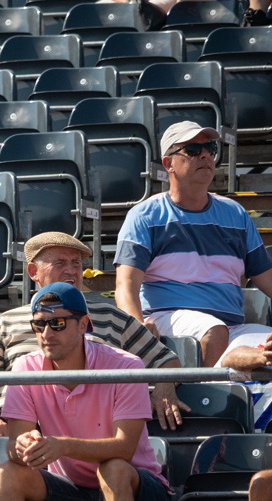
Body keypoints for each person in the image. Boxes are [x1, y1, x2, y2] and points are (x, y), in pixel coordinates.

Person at [0, 232, 187, 501]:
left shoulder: (110, 314)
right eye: (60, 263)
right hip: (24, 423)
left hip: (102, 427)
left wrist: (163, 388)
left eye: (76, 263)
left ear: (83, 324)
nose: (72, 270)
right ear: (33, 272)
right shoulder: (7, 321)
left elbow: (164, 359)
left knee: (111, 469)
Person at [0, 283, 172, 501]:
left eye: (57, 323)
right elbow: (16, 443)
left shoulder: (126, 365)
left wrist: (61, 446)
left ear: (84, 324)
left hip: (137, 488)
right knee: (8, 474)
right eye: (39, 324)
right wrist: (22, 447)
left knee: (113, 470)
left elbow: (124, 449)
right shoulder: (24, 366)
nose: (47, 333)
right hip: (73, 490)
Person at [114, 121, 272, 367]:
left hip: (233, 327)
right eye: (193, 150)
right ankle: (205, 398)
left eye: (210, 148)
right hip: (166, 318)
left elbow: (267, 278)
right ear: (169, 164)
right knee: (214, 329)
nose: (206, 155)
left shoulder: (236, 214)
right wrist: (138, 331)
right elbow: (125, 284)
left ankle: (230, 382)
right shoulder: (144, 215)